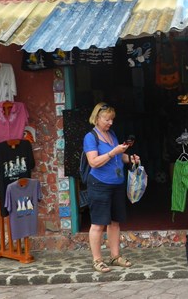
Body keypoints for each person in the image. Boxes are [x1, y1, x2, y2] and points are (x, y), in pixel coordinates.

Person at [83, 102, 140, 273]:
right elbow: (93, 161)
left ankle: (115, 256)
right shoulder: (90, 137)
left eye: (112, 119)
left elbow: (118, 156)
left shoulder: (112, 134)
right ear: (97, 118)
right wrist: (112, 152)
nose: (110, 123)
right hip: (99, 184)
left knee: (115, 222)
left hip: (116, 184)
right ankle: (97, 260)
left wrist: (130, 158)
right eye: (107, 119)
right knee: (98, 223)